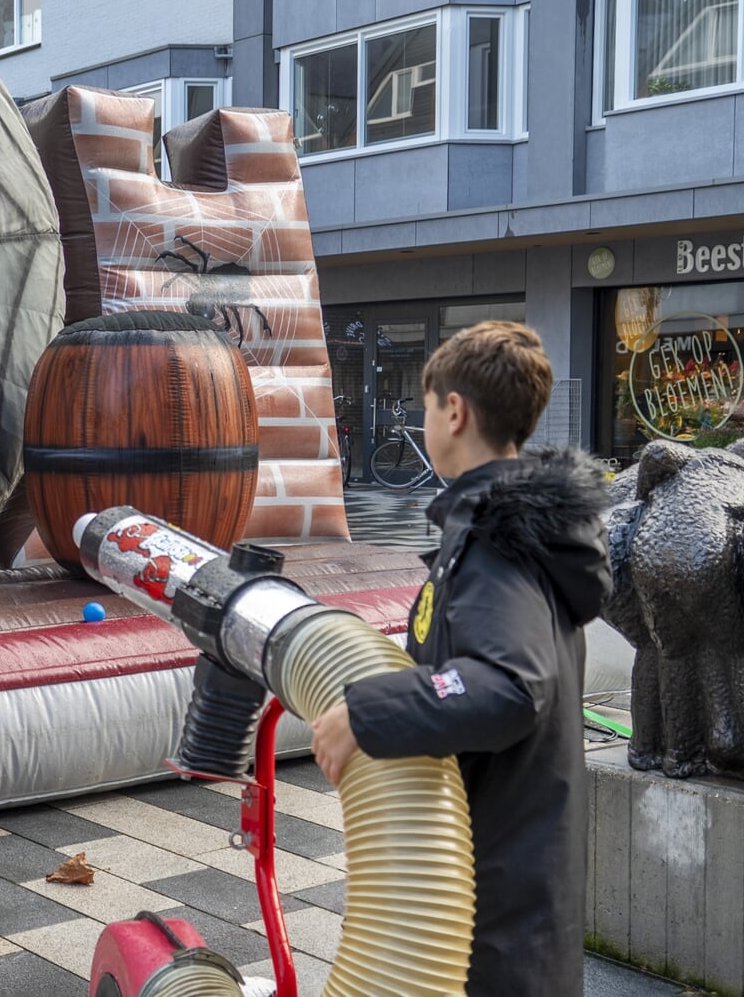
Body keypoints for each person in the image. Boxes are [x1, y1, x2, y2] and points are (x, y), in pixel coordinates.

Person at [308, 320, 611, 997]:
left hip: (496, 911)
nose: (425, 421)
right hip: (510, 885)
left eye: (426, 405)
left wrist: (366, 712)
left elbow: (506, 686)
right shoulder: (515, 530)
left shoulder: (498, 542)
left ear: (455, 411)